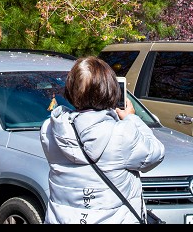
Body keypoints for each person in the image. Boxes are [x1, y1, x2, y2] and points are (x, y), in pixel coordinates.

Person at [40, 56, 165, 224]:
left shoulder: (50, 129)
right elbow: (155, 154)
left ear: (71, 90)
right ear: (110, 90)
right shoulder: (121, 134)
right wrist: (132, 119)